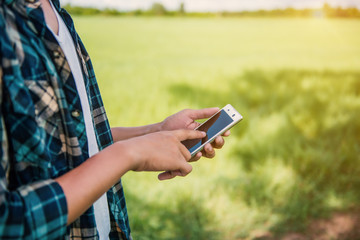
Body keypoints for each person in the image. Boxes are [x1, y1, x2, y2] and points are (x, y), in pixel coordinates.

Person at [0, 0, 230, 239]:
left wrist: (156, 132)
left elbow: (78, 139)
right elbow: (7, 223)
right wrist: (128, 154)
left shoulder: (57, 13)